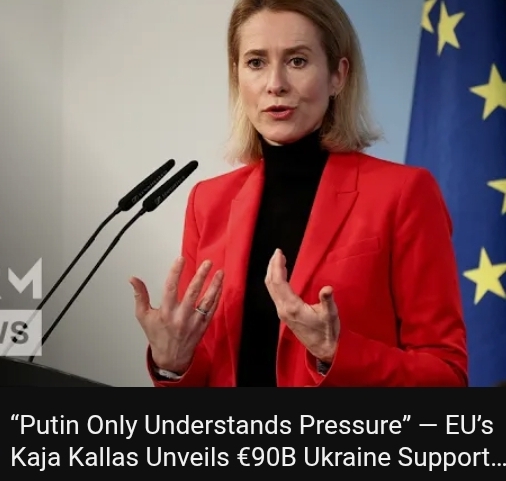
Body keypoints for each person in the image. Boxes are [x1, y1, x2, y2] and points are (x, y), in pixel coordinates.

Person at [130, 0, 468, 387]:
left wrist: (335, 353)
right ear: (237, 75)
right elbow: (208, 368)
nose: (275, 83)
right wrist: (174, 364)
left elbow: (447, 375)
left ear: (338, 75)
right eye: (256, 62)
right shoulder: (208, 202)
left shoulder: (404, 194)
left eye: (297, 61)